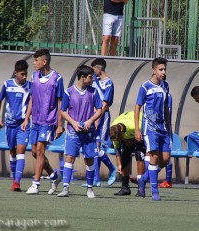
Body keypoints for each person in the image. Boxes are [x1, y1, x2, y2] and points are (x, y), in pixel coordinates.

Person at [23, 48, 65, 195]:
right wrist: (27, 118)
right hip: (36, 121)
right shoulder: (34, 76)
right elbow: (32, 99)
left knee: (40, 150)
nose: (34, 63)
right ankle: (54, 175)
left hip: (49, 121)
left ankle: (35, 184)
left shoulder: (57, 78)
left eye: (36, 60)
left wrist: (60, 124)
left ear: (44, 61)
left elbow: (61, 103)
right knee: (34, 152)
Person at [57, 65, 102, 198]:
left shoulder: (93, 92)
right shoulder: (68, 92)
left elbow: (99, 110)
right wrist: (73, 123)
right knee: (69, 157)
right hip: (73, 131)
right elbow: (63, 111)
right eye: (90, 77)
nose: (93, 79)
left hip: (89, 132)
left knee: (89, 160)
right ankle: (65, 188)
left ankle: (89, 188)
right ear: (83, 77)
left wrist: (90, 121)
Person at [134, 57, 172, 201]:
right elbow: (137, 107)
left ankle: (143, 179)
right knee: (154, 157)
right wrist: (137, 129)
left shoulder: (165, 86)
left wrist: (169, 128)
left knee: (166, 159)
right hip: (150, 128)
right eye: (161, 69)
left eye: (165, 69)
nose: (163, 72)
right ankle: (155, 192)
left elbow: (166, 108)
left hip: (163, 128)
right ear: (153, 70)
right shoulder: (145, 87)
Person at [0, 60, 32, 192]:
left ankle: (17, 182)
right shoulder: (7, 84)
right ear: (16, 73)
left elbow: (32, 103)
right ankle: (14, 177)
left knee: (21, 150)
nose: (24, 76)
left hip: (23, 125)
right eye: (22, 74)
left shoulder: (30, 86)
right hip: (9, 124)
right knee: (12, 151)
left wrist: (27, 119)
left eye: (26, 74)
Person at [90, 58, 116, 187]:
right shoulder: (95, 81)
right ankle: (96, 179)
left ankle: (112, 168)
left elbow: (105, 104)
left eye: (93, 69)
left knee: (97, 146)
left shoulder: (108, 83)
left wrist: (97, 118)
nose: (92, 72)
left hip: (102, 116)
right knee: (95, 147)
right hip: (93, 116)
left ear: (99, 69)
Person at [110, 111, 145, 196]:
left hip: (140, 133)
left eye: (120, 138)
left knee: (139, 155)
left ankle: (141, 188)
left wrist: (131, 140)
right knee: (124, 156)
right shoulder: (113, 129)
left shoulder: (134, 126)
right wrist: (119, 164)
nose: (118, 141)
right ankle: (125, 187)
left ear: (122, 132)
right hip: (129, 136)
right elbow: (117, 147)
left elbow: (145, 134)